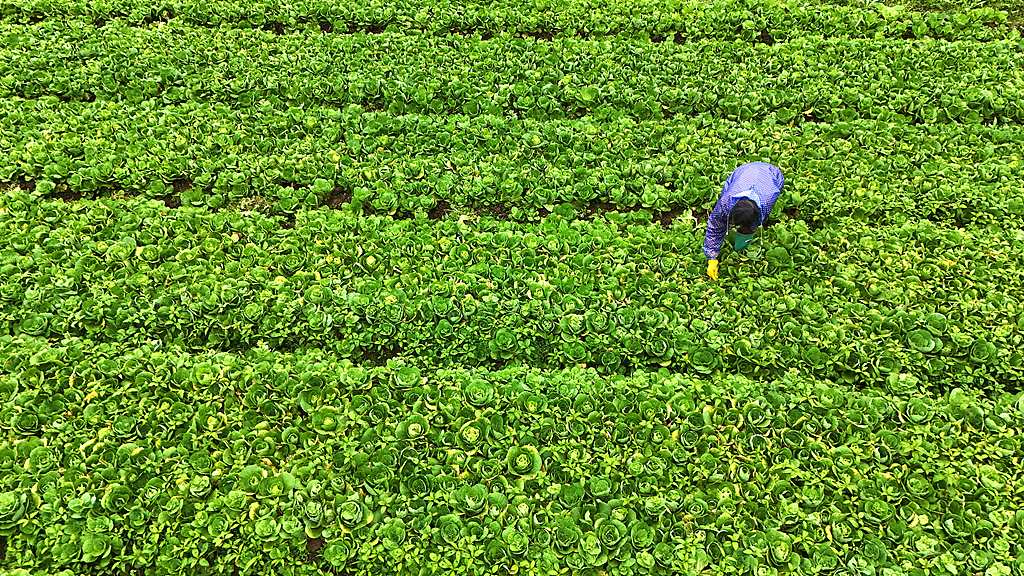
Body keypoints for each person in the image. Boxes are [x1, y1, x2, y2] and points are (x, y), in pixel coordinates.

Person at [703, 162, 784, 280]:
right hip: (744, 172)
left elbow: (758, 220)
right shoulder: (726, 203)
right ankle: (741, 233)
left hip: (773, 174)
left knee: (756, 222)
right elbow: (715, 226)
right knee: (721, 214)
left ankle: (744, 239)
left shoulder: (767, 200)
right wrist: (712, 258)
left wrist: (749, 230)